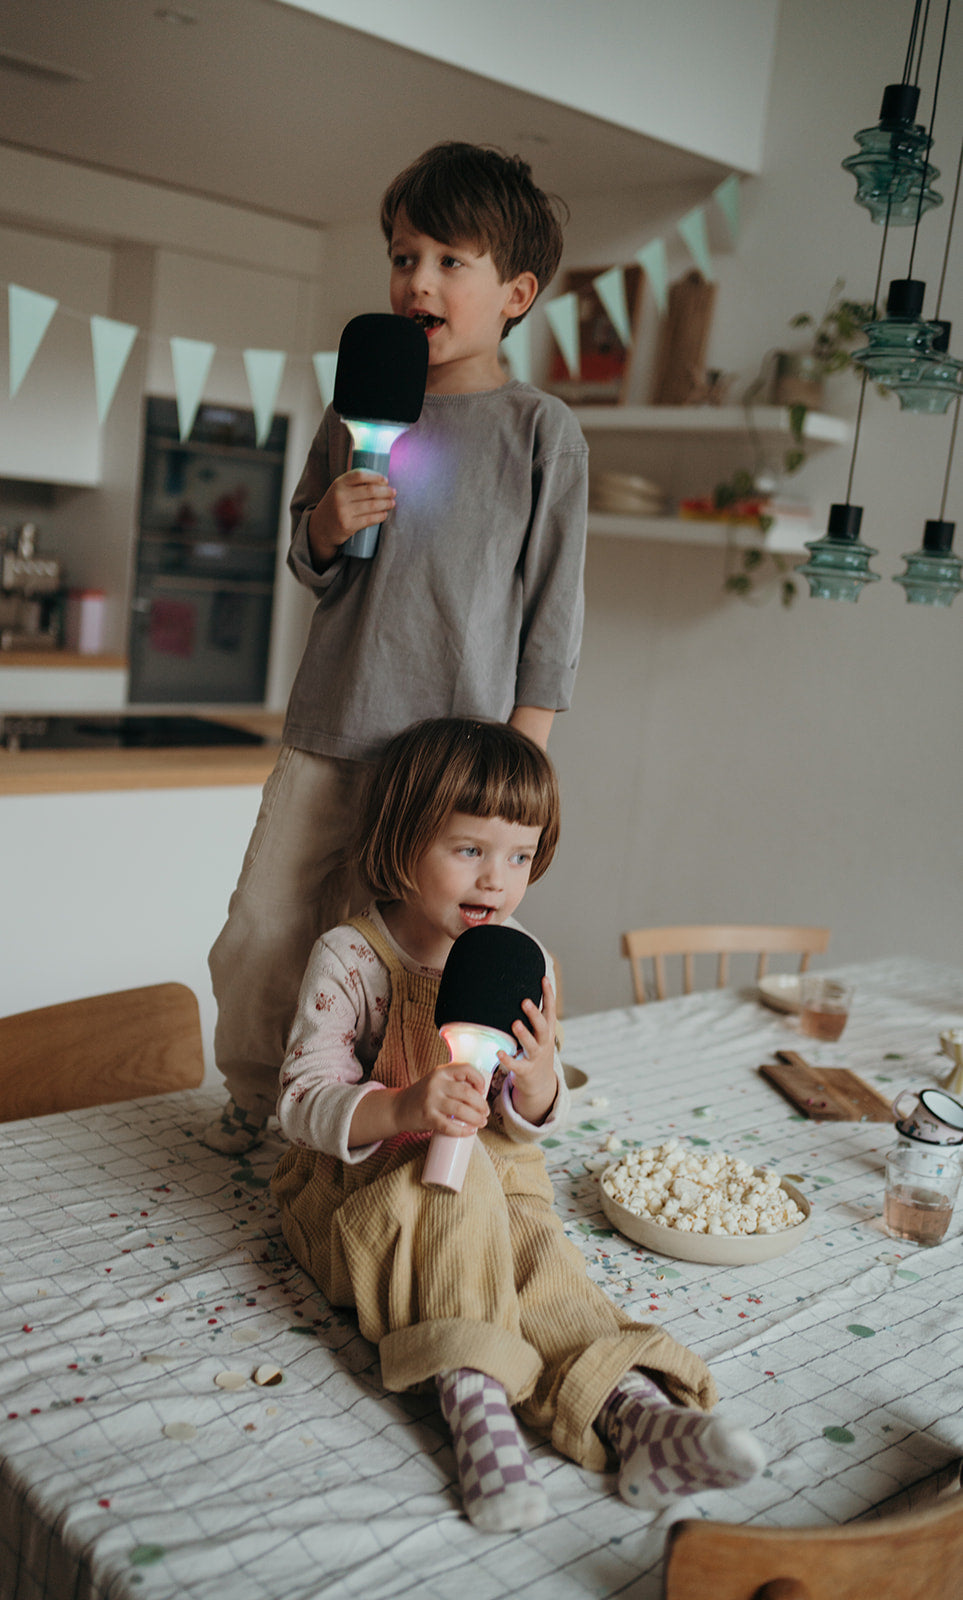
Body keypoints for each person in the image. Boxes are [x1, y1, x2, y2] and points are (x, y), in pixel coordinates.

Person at [270, 718, 766, 1533]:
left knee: (542, 1258)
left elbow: (531, 1119)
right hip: (368, 1193)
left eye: (519, 856)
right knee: (461, 1207)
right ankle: (476, 1406)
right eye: (468, 849)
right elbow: (300, 1100)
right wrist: (402, 1107)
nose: (494, 879)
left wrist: (535, 1083)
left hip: (497, 1178)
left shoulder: (521, 958)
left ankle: (632, 1411)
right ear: (401, 839)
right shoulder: (351, 959)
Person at [204, 141, 588, 1154]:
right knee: (266, 930)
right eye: (403, 256)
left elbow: (554, 613)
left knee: (404, 955)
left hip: (450, 764)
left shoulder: (540, 431)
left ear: (514, 294)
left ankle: (389, 1114)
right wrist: (327, 524)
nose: (417, 280)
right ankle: (259, 1101)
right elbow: (309, 556)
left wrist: (523, 760)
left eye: (449, 261)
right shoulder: (353, 409)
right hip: (334, 728)